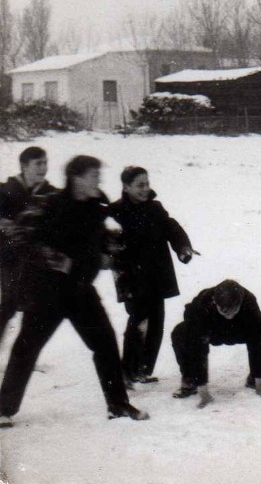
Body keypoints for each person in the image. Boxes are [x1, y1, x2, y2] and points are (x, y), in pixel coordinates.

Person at [0, 155, 149, 428]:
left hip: (81, 292)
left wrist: (109, 244)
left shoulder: (95, 205)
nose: (98, 180)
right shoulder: (53, 204)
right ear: (76, 178)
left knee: (104, 343)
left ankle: (118, 404)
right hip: (47, 293)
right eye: (93, 175)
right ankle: (3, 408)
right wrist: (59, 259)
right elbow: (28, 238)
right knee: (26, 348)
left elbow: (97, 234)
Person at [109, 166, 194, 385]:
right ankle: (127, 371)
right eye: (140, 185)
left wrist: (183, 247)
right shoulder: (116, 212)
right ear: (126, 187)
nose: (145, 189)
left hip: (156, 277)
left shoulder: (155, 208)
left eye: (147, 183)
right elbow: (109, 244)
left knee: (156, 323)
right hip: (131, 278)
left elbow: (171, 229)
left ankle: (143, 369)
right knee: (139, 322)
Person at [171, 279, 261, 408]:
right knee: (181, 332)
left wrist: (259, 381)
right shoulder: (202, 304)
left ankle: (253, 378)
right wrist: (203, 389)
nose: (229, 315)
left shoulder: (249, 301)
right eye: (224, 310)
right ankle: (190, 379)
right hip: (211, 331)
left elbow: (256, 339)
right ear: (215, 302)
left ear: (240, 303)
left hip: (238, 330)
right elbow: (197, 346)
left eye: (233, 310)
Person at [0, 146, 59, 345]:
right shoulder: (6, 191)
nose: (43, 168)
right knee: (8, 304)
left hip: (38, 260)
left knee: (34, 306)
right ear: (24, 166)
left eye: (45, 163)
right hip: (10, 257)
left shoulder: (51, 194)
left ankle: (23, 354)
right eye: (38, 163)